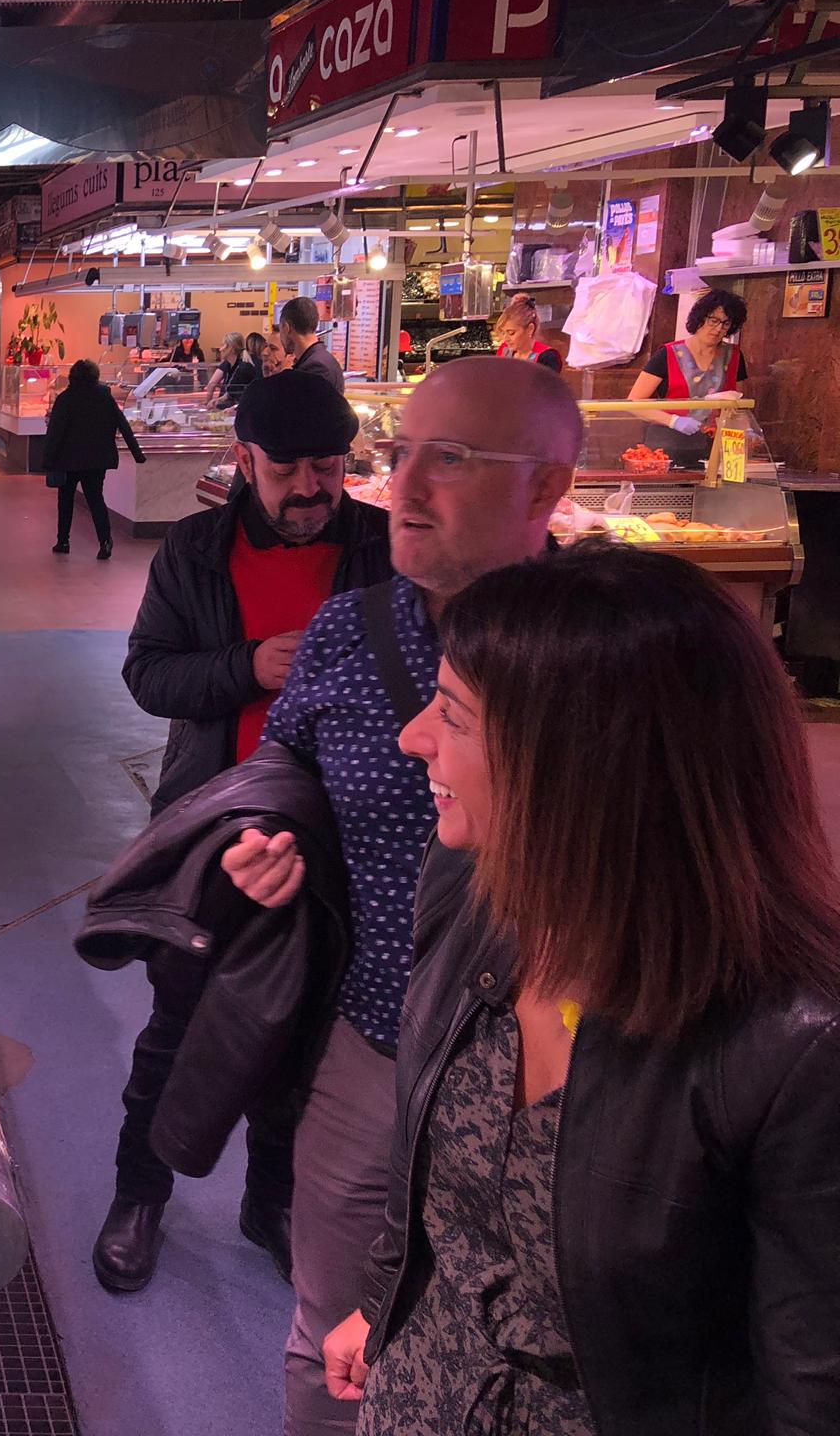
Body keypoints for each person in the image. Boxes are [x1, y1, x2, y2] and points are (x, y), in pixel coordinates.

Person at [318, 543, 840, 1435]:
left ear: (580, 766)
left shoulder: (794, 1049)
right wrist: (386, 1300)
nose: (414, 738)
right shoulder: (474, 894)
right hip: (420, 1395)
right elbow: (432, 1168)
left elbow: (810, 1384)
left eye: (453, 714)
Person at [235, 356, 582, 1435]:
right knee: (330, 1323)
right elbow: (283, 766)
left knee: (538, 1345)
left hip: (562, 1075)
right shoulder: (346, 630)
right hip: (376, 1032)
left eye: (454, 460)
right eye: (397, 457)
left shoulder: (608, 656)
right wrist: (262, 839)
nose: (405, 488)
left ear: (545, 491)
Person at [104, 373, 391, 1294]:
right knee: (176, 1027)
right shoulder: (194, 551)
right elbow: (148, 676)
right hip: (212, 826)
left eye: (329, 466)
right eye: (288, 468)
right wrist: (249, 666)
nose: (310, 487)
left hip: (346, 841)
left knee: (307, 1035)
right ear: (244, 461)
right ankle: (138, 1196)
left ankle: (269, 1201)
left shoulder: (384, 550)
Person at [626, 287, 751, 469]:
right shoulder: (667, 355)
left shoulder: (735, 357)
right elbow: (634, 403)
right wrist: (673, 421)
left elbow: (737, 406)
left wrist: (746, 432)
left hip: (715, 449)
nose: (717, 329)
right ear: (700, 318)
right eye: (713, 320)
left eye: (725, 324)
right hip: (668, 446)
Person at [42, 359, 147, 561]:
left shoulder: (65, 399)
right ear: (95, 377)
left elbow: (55, 432)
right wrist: (137, 454)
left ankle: (63, 541)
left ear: (72, 377)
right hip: (97, 459)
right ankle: (105, 541)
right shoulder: (105, 398)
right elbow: (123, 425)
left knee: (65, 500)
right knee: (96, 499)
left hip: (68, 459)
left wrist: (48, 459)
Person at [280, 297, 344, 393]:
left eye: (281, 328)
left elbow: (297, 405)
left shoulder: (316, 368)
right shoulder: (320, 359)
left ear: (287, 327)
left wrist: (285, 376)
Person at [490, 292, 561, 372]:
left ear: (530, 329)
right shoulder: (504, 350)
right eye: (503, 333)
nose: (505, 339)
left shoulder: (547, 357)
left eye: (511, 333)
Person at [203, 332, 262, 409]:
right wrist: (215, 401)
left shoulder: (243, 368)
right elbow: (228, 393)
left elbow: (241, 398)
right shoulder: (229, 364)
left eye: (223, 345)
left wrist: (213, 402)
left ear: (231, 348)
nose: (220, 349)